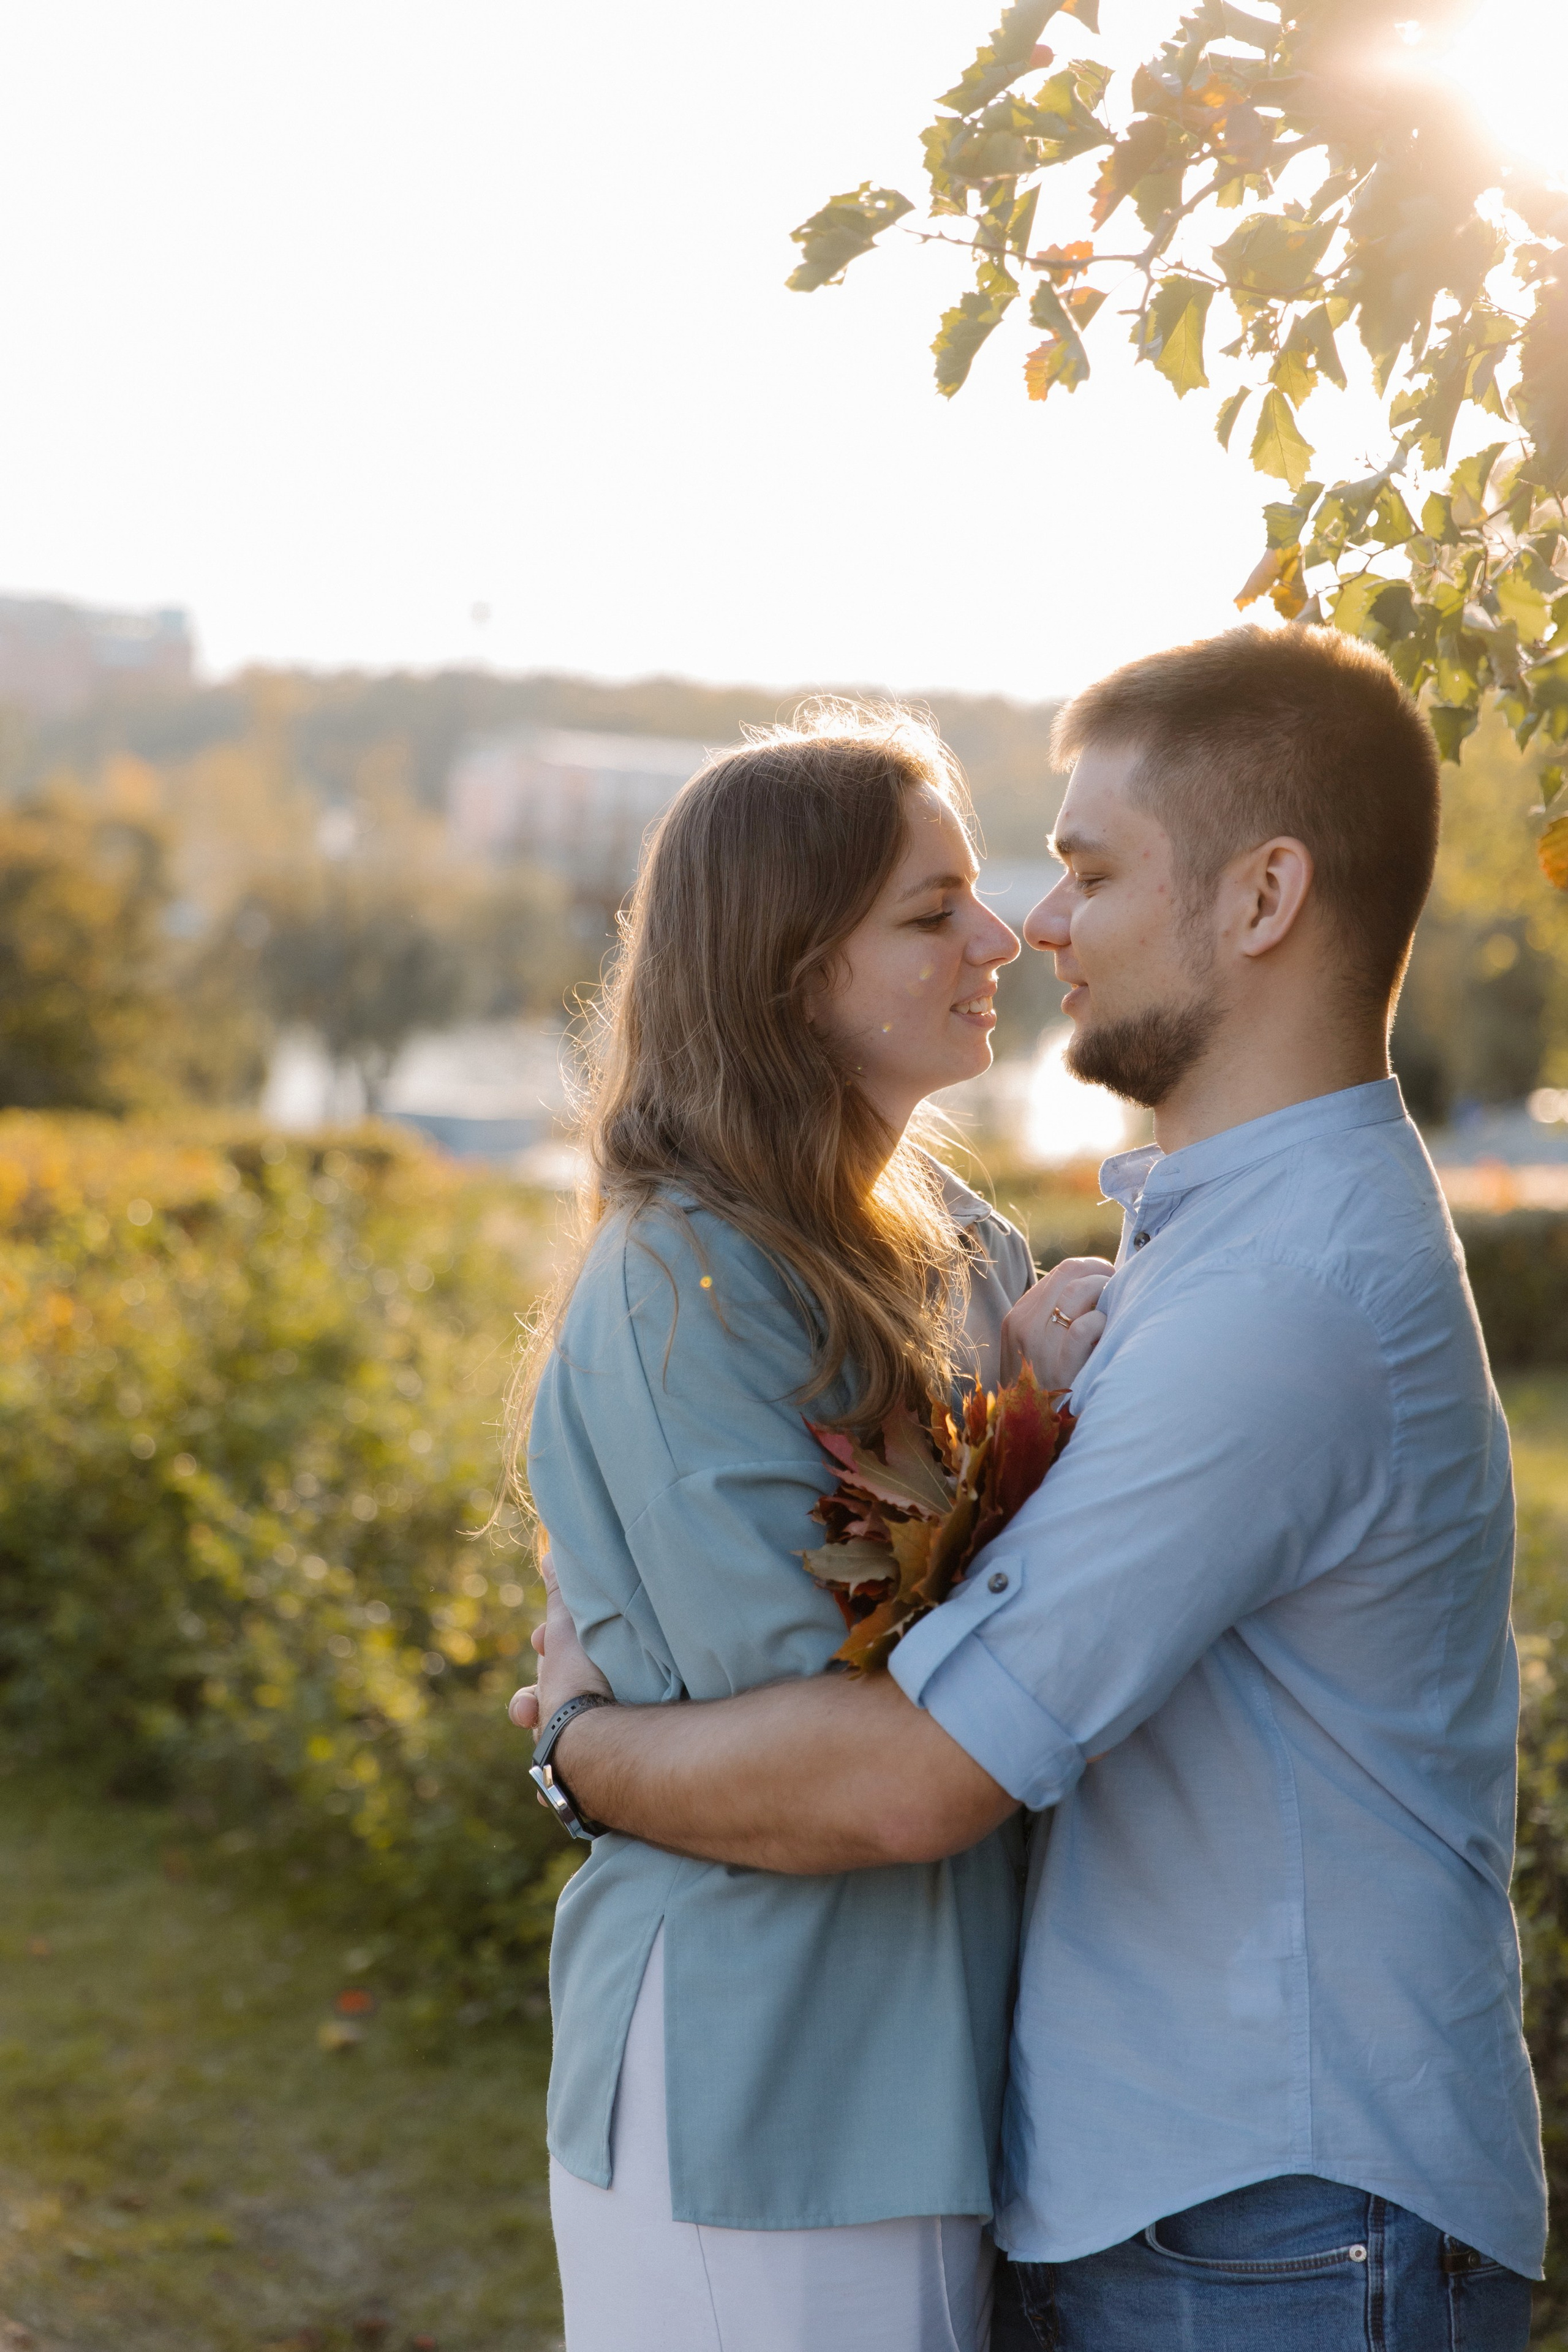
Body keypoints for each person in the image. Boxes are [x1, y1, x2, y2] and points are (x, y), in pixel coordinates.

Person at [516, 626, 1548, 2352]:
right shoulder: (1208, 1252)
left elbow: (916, 1772)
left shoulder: (1271, 1301)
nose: (1030, 923)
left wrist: (577, 1752)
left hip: (1275, 2207)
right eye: (954, 905)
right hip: (1163, 2188)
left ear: (1262, 896)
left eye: (1084, 870)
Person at [514, 704, 1104, 2352]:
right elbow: (834, 1741)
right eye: (932, 912)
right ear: (791, 971)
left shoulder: (957, 1245)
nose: (1000, 938)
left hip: (942, 2068)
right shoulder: (682, 1289)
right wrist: (1047, 1434)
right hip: (757, 2079)